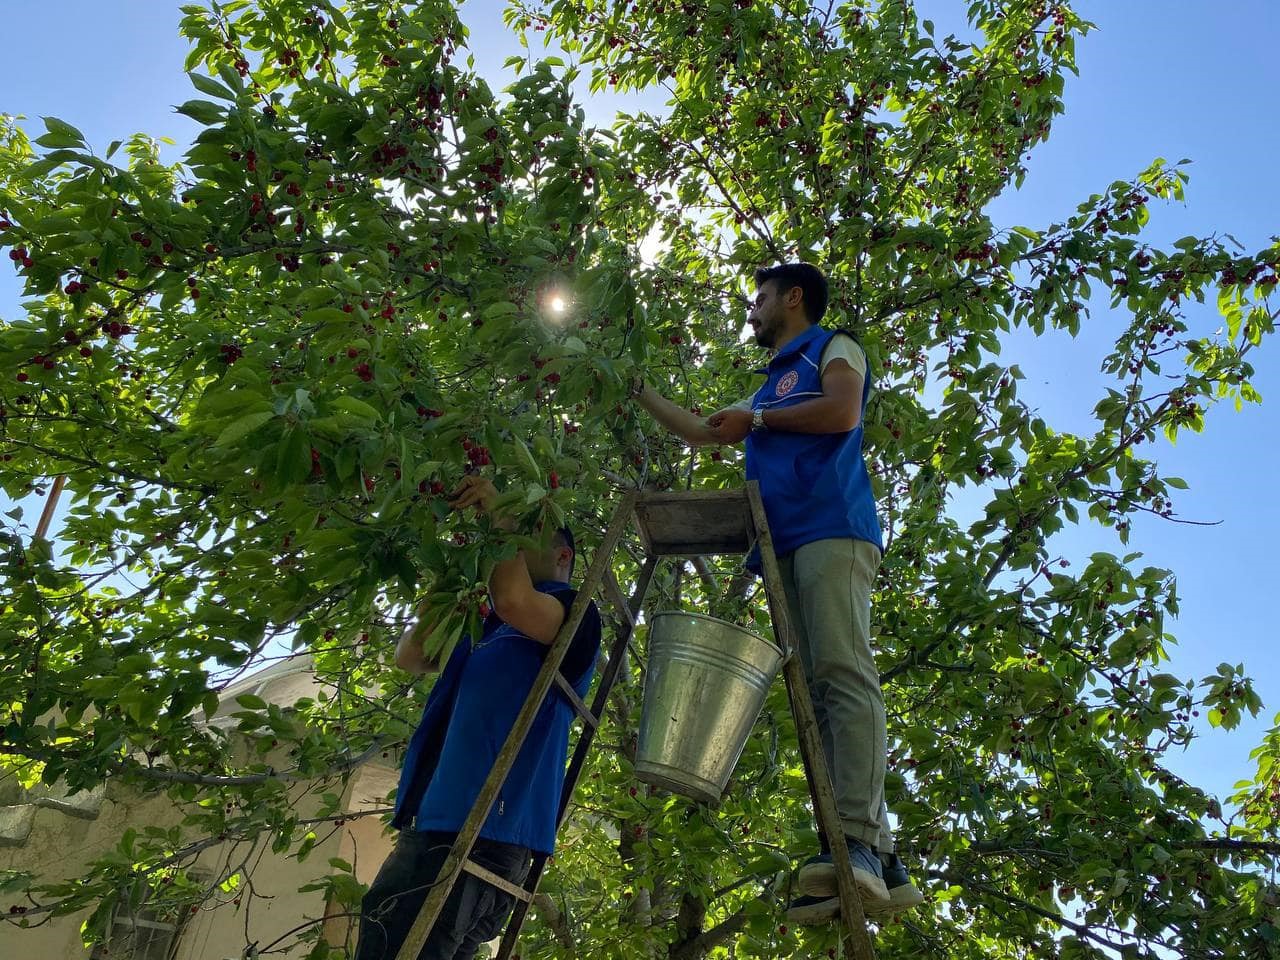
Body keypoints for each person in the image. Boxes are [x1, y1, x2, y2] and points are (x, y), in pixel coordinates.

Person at [631, 262, 922, 924]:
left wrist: (757, 418)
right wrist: (636, 388)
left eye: (760, 298)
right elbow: (708, 432)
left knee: (844, 675)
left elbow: (844, 412)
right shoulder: (769, 387)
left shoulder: (831, 348)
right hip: (783, 546)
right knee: (817, 690)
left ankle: (859, 844)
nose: (752, 311)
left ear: (795, 298)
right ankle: (872, 854)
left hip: (830, 529)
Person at [356, 475, 602, 959]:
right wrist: (454, 572)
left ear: (562, 557)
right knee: (389, 937)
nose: (503, 543)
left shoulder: (575, 612)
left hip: (485, 830)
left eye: (520, 535)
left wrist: (500, 518)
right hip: (440, 822)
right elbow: (412, 655)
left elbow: (515, 600)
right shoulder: (485, 623)